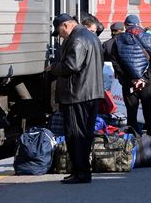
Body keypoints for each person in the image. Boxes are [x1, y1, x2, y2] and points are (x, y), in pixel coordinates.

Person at [48, 14, 104, 184]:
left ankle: (80, 172)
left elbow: (71, 66)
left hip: (77, 94)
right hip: (90, 92)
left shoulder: (77, 39)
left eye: (59, 32)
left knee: (75, 134)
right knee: (84, 134)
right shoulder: (90, 36)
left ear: (65, 25)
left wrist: (53, 67)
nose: (60, 36)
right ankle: (81, 171)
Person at [112, 15, 151, 138]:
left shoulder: (118, 40)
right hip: (147, 83)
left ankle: (133, 142)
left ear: (125, 25)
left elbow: (116, 63)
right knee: (150, 112)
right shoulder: (150, 38)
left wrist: (130, 79)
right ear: (139, 24)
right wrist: (144, 78)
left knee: (131, 113)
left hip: (129, 83)